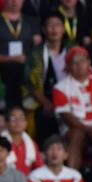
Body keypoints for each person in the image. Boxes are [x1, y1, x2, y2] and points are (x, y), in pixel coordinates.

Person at [52, 46, 92, 169]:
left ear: (89, 62)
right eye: (74, 62)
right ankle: (72, 177)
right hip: (77, 129)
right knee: (77, 134)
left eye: (82, 61)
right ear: (68, 66)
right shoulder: (60, 88)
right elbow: (66, 116)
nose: (79, 65)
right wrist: (89, 130)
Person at [0, 0, 41, 107]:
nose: (15, 2)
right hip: (2, 68)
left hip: (28, 68)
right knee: (13, 69)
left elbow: (39, 50)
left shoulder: (31, 21)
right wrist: (10, 59)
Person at [23, 11, 68, 144]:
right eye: (50, 25)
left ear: (63, 29)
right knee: (44, 116)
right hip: (45, 98)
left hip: (70, 97)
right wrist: (46, 103)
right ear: (43, 29)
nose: (54, 29)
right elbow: (30, 84)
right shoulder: (35, 53)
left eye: (58, 25)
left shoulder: (72, 50)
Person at [0, 105, 43, 176]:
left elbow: (40, 168)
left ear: (26, 123)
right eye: (13, 119)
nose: (18, 122)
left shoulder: (32, 144)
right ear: (6, 123)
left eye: (21, 119)